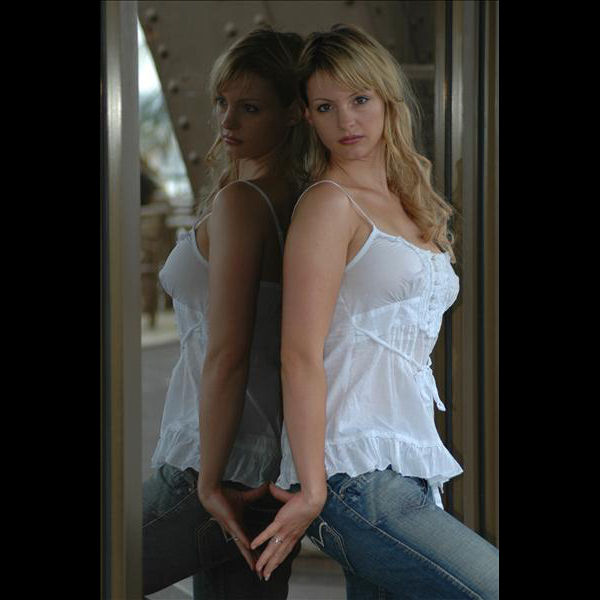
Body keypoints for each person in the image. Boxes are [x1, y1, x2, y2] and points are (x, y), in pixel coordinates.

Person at [250, 24, 499, 599]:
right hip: (351, 474)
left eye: (360, 99)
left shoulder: (409, 202)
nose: (347, 121)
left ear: (387, 100)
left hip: (405, 463)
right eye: (326, 107)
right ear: (308, 117)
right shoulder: (327, 205)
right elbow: (299, 354)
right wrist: (313, 488)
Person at [142, 27, 308, 599]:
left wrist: (209, 482)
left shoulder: (243, 202)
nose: (227, 121)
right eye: (222, 102)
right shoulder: (303, 201)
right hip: (267, 466)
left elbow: (228, 354)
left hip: (214, 465)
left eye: (250, 107)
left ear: (292, 113)